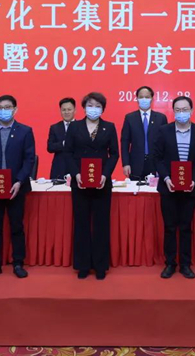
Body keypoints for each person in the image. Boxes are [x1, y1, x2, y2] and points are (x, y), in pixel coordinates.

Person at [0, 95, 36, 280]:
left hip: (16, 186)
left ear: (15, 109)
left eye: (7, 107)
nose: (3, 111)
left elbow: (29, 159)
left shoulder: (25, 131)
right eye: (0, 107)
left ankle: (18, 263)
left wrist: (19, 181)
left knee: (16, 226)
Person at [64, 92, 119, 280]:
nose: (93, 109)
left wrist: (105, 174)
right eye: (90, 105)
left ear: (103, 109)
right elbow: (68, 152)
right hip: (80, 182)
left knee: (101, 224)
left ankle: (100, 265)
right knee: (81, 223)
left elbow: (114, 154)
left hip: (102, 183)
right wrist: (76, 173)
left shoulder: (109, 127)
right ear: (84, 107)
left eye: (97, 106)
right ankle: (83, 265)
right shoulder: (74, 127)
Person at [154, 96, 195, 279]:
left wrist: (194, 178)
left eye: (185, 109)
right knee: (169, 227)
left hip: (190, 187)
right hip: (168, 187)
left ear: (192, 111)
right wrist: (166, 178)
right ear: (173, 111)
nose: (182, 113)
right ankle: (170, 263)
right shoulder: (164, 131)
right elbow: (157, 158)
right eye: (178, 110)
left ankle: (185, 264)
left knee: (185, 227)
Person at [120, 86, 168, 181]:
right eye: (141, 97)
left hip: (155, 164)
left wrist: (164, 165)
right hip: (135, 164)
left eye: (147, 97)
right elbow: (125, 142)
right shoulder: (130, 118)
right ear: (137, 99)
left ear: (152, 99)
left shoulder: (161, 118)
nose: (144, 99)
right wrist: (126, 163)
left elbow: (165, 144)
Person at [47, 97, 76, 180]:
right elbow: (50, 147)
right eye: (64, 110)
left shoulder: (81, 127)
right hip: (59, 168)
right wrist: (63, 143)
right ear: (60, 111)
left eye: (69, 109)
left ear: (74, 110)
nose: (66, 112)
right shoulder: (55, 127)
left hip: (76, 167)